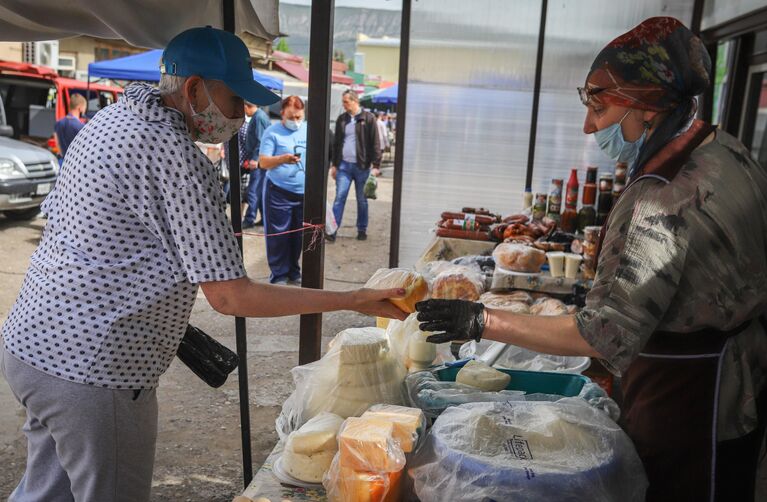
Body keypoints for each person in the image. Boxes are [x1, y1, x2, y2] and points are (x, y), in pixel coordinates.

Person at [0, 27, 406, 502]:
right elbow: (232, 295)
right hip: (93, 368)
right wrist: (355, 298)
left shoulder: (111, 120)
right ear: (194, 88)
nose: (242, 114)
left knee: (47, 493)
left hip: (33, 345)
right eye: (236, 99)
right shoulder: (176, 158)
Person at [416, 17, 766, 502]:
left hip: (691, 398)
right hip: (742, 383)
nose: (588, 126)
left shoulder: (659, 199)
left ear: (647, 106)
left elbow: (602, 333)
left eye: (599, 108)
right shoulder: (726, 149)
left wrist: (481, 320)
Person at [258, 96, 307, 285]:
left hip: (303, 192)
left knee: (298, 234)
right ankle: (279, 274)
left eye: (299, 117)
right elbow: (263, 162)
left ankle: (294, 271)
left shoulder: (308, 129)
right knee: (278, 235)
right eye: (292, 117)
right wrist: (283, 159)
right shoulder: (272, 132)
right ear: (282, 114)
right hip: (278, 191)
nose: (296, 121)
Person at [327, 90, 381, 242]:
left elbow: (375, 142)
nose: (344, 105)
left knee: (362, 200)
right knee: (339, 198)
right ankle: (332, 231)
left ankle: (362, 229)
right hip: (343, 166)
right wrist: (334, 165)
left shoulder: (368, 118)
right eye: (343, 102)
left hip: (362, 166)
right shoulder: (341, 119)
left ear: (355, 101)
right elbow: (337, 143)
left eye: (346, 102)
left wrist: (376, 165)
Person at [242, 101, 271, 228]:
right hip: (260, 159)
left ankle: (249, 219)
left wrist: (255, 159)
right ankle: (264, 218)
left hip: (259, 160)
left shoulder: (259, 117)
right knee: (258, 189)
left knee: (253, 191)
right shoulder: (259, 116)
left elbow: (261, 140)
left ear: (246, 106)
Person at [53, 93, 86, 163]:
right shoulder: (82, 127)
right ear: (80, 108)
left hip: (61, 162)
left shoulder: (58, 123)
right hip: (75, 164)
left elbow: (57, 144)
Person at [374, 111, 390, 175]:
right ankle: (376, 170)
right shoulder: (381, 123)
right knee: (379, 158)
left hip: (375, 143)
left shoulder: (373, 123)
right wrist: (387, 144)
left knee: (375, 157)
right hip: (381, 143)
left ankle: (375, 170)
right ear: (379, 116)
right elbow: (384, 134)